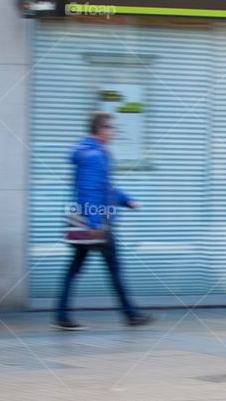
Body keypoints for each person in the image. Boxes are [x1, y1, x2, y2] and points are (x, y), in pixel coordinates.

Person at [53, 112, 153, 331]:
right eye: (110, 127)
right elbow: (89, 191)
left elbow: (104, 188)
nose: (113, 131)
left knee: (75, 269)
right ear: (99, 129)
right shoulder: (95, 156)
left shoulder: (92, 153)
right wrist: (95, 225)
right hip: (98, 225)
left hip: (93, 222)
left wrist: (126, 200)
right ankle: (131, 315)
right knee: (114, 270)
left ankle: (62, 314)